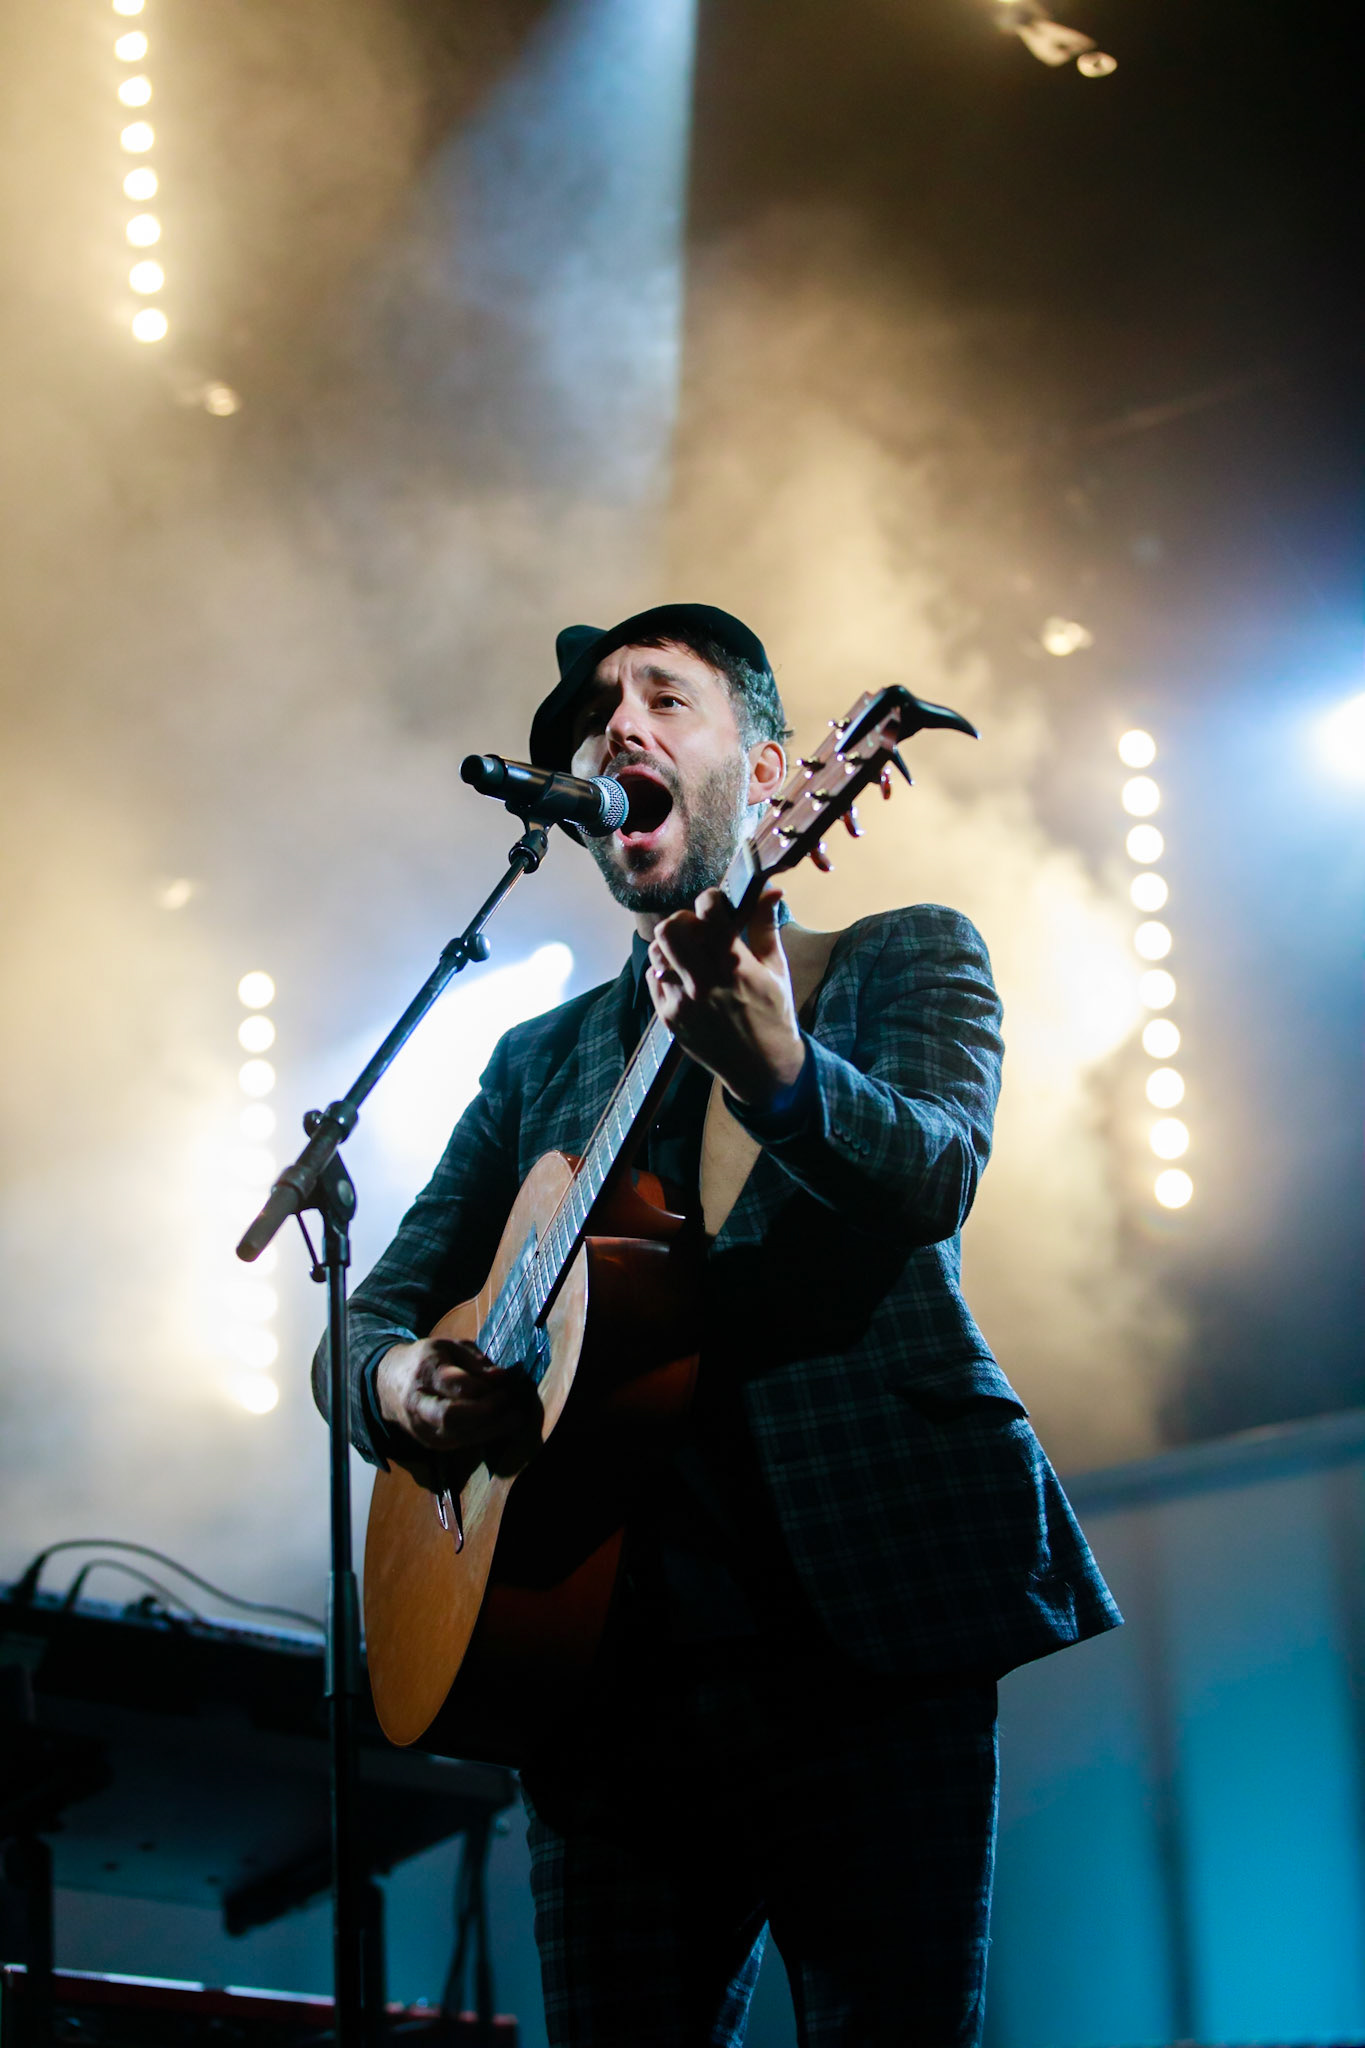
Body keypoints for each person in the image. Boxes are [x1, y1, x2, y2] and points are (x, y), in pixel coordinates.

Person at [313, 602, 1121, 2048]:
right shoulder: (535, 1061)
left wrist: (781, 1071)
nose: (614, 727)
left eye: (662, 697)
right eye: (594, 718)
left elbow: (932, 1175)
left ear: (769, 777)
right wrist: (404, 1385)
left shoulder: (898, 957)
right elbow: (365, 1319)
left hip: (860, 1627)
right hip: (592, 1664)